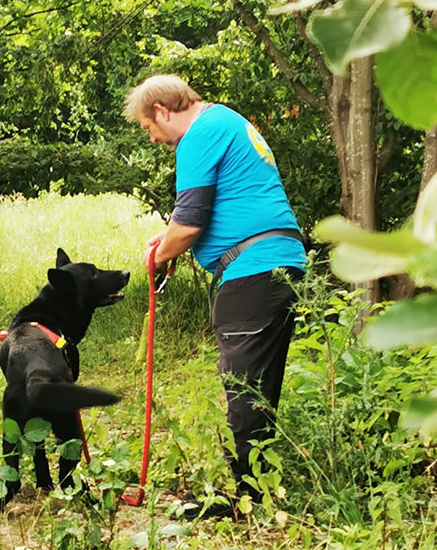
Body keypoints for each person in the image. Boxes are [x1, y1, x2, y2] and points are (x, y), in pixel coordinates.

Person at [123, 74, 306, 520]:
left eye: (149, 126)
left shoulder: (198, 136)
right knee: (259, 388)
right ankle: (258, 490)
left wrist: (161, 255)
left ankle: (249, 504)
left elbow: (188, 224)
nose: (152, 137)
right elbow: (208, 211)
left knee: (243, 388)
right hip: (278, 262)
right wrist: (168, 239)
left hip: (253, 271)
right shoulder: (226, 121)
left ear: (163, 110)